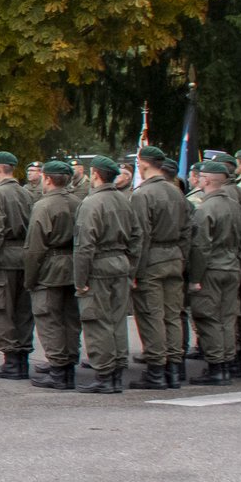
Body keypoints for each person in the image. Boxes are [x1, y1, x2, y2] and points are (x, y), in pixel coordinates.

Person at [72, 156, 142, 394]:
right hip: (120, 264)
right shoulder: (124, 201)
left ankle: (104, 373)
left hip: (99, 266)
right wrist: (130, 266)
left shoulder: (92, 203)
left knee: (97, 321)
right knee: (117, 320)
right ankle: (116, 371)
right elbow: (136, 237)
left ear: (96, 174)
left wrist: (80, 280)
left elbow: (84, 245)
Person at [128, 145, 190, 388]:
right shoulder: (177, 192)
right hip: (174, 256)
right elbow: (187, 231)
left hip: (152, 259)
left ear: (143, 164)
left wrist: (135, 270)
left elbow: (139, 236)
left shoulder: (143, 195)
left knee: (151, 315)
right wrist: (180, 257)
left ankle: (156, 370)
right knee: (172, 315)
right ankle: (173, 368)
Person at [186, 160, 241, 386]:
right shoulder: (235, 205)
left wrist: (195, 278)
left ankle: (215, 366)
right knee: (227, 318)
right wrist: (239, 264)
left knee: (209, 318)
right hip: (231, 267)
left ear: (206, 180)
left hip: (211, 270)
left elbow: (201, 247)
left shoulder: (205, 208)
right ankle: (225, 363)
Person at [25, 160, 81, 390]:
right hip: (74, 264)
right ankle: (68, 365)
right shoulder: (79, 202)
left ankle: (58, 369)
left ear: (47, 179)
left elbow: (35, 248)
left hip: (51, 267)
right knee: (71, 319)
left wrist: (30, 278)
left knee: (49, 319)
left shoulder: (44, 206)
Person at [0, 152, 35, 379]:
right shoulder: (26, 193)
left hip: (4, 258)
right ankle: (22, 359)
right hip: (25, 256)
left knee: (2, 311)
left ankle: (12, 361)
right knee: (23, 311)